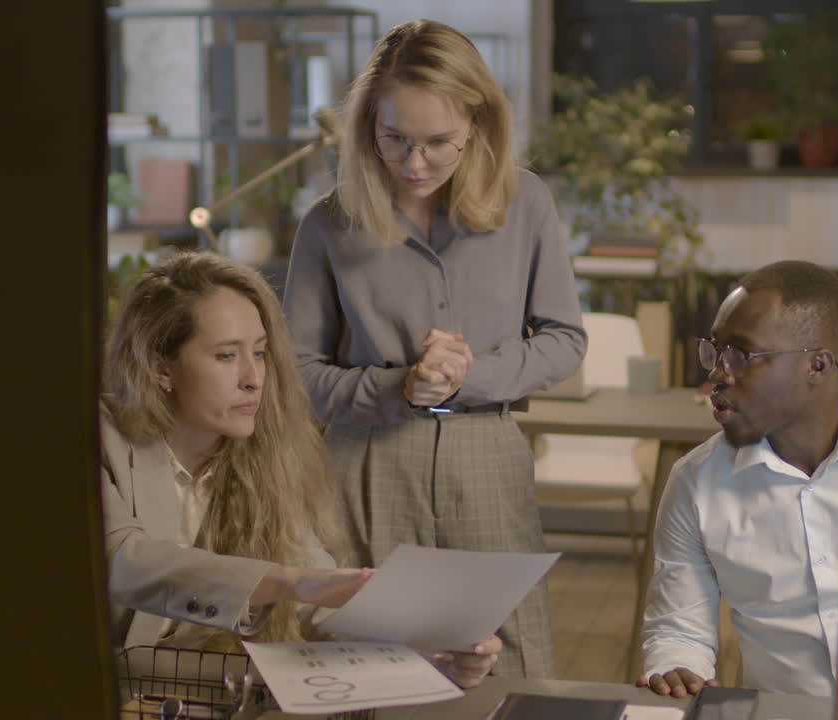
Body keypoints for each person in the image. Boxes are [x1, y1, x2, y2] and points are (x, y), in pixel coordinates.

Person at [282, 20, 586, 679]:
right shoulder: (328, 224)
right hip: (364, 463)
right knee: (374, 657)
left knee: (512, 658)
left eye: (437, 142)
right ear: (368, 127)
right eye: (394, 139)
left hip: (487, 456)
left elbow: (564, 341)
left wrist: (469, 376)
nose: (413, 164)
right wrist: (397, 388)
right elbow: (297, 375)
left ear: (477, 123)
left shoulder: (527, 203)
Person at [101, 251, 500, 687]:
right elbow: (124, 561)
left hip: (206, 693)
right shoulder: (96, 439)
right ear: (162, 368)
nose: (254, 378)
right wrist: (293, 581)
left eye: (260, 352)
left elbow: (315, 606)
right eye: (225, 356)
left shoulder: (263, 450)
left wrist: (433, 651)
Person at [637, 260, 838, 698]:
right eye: (715, 352)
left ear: (817, 365)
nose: (717, 374)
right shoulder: (695, 482)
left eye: (741, 355)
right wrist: (677, 665)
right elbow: (678, 628)